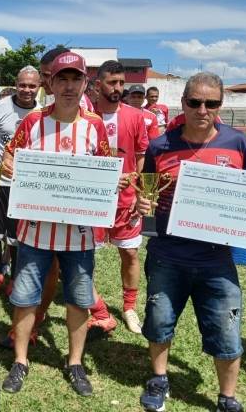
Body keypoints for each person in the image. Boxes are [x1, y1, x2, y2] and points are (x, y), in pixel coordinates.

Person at [136, 72, 246, 412]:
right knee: (159, 322)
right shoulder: (160, 145)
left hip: (216, 259)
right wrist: (145, 206)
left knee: (227, 331)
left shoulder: (237, 143)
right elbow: (148, 193)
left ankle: (227, 397)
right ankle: (159, 379)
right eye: (195, 102)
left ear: (220, 106)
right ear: (183, 103)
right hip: (167, 254)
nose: (203, 109)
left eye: (211, 103)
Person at [0, 51, 110, 396]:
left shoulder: (94, 125)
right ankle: (20, 360)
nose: (68, 86)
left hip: (79, 235)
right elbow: (8, 155)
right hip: (35, 229)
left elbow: (107, 167)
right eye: (61, 79)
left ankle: (74, 362)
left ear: (84, 83)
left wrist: (114, 183)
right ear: (50, 82)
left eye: (75, 79)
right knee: (25, 297)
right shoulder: (33, 122)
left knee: (78, 300)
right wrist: (9, 168)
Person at [92, 61, 149, 335]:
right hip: (92, 200)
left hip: (126, 201)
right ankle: (93, 306)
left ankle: (128, 307)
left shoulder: (135, 116)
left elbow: (141, 156)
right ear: (97, 84)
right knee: (84, 256)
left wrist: (139, 193)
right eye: (112, 83)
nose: (117, 88)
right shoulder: (85, 115)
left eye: (121, 83)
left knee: (129, 252)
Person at [0, 65, 40, 297]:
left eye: (32, 86)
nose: (26, 90)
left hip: (24, 187)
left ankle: (14, 278)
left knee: (18, 237)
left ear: (39, 87)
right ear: (16, 84)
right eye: (22, 85)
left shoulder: (43, 114)